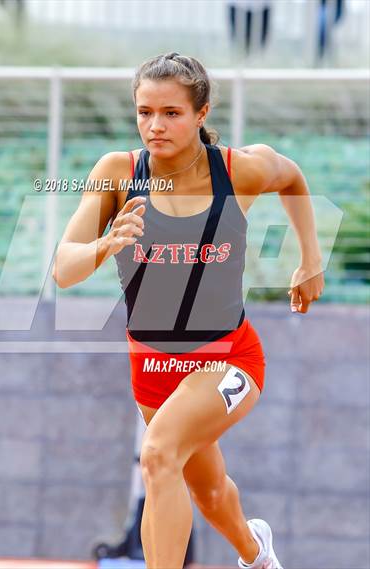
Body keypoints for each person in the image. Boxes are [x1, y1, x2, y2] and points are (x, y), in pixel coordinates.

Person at [52, 52, 324, 569]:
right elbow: (64, 268)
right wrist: (106, 245)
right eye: (144, 112)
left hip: (227, 358)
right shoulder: (117, 173)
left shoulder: (239, 170)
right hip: (152, 367)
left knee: (156, 457)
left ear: (201, 114)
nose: (155, 126)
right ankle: (257, 553)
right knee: (210, 491)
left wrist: (310, 259)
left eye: (172, 113)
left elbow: (292, 178)